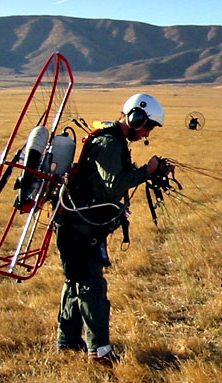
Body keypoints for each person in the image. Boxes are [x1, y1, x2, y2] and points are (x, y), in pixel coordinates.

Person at [55, 93, 171, 366]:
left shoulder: (115, 141)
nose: (146, 134)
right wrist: (147, 170)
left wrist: (151, 171)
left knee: (77, 280)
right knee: (91, 285)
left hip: (81, 223)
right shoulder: (108, 142)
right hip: (78, 227)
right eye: (148, 127)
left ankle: (67, 341)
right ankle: (100, 351)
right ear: (135, 117)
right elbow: (114, 185)